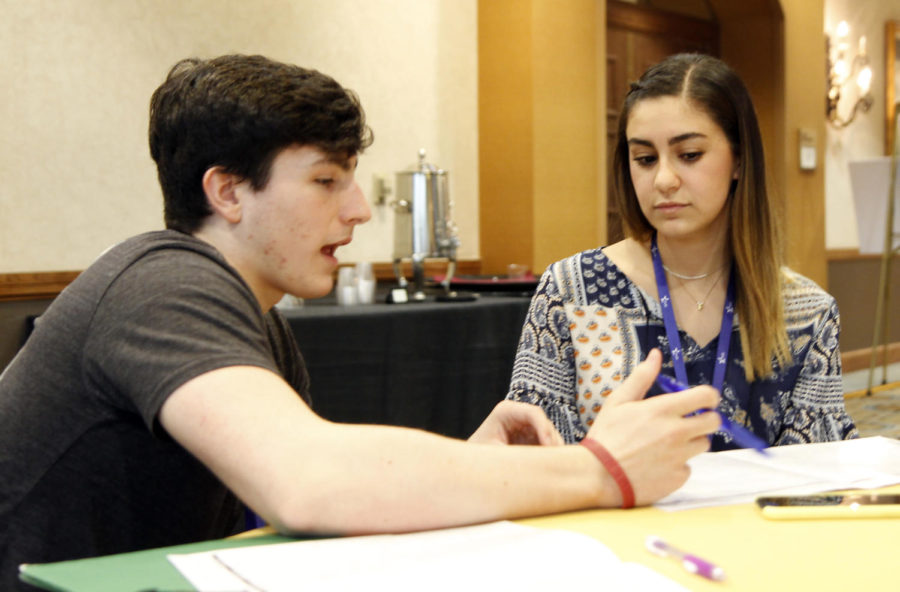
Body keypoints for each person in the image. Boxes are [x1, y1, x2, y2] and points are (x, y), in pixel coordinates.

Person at [0, 54, 721, 590]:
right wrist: (597, 471)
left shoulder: (259, 321)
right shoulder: (161, 285)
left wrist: (487, 464)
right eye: (325, 180)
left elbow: (314, 503)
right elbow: (310, 486)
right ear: (225, 191)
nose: (359, 209)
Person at [506, 53, 858, 448]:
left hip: (749, 512)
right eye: (644, 159)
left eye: (689, 155)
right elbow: (531, 455)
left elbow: (817, 479)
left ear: (739, 160)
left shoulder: (806, 312)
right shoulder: (571, 291)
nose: (664, 179)